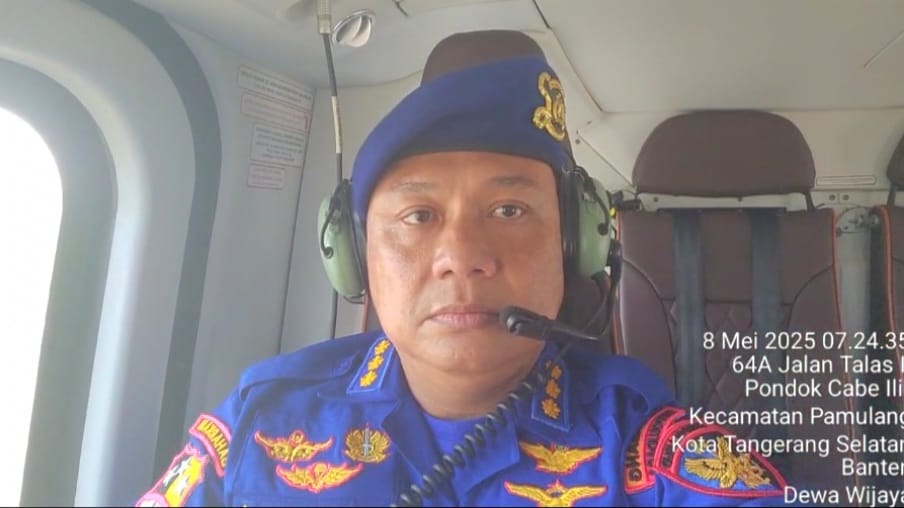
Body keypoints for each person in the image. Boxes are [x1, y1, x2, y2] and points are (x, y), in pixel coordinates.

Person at [135, 30, 788, 507]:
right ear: (357, 255)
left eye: (508, 210)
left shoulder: (644, 447)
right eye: (418, 215)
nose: (461, 257)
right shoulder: (258, 422)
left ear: (575, 247)